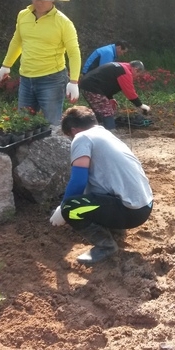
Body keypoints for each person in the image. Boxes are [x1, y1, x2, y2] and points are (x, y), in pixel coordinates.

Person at [49, 106, 153, 265]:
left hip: (130, 212)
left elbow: (78, 181)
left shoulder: (81, 137)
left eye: (70, 137)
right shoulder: (104, 134)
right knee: (88, 199)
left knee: (72, 207)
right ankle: (116, 229)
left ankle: (106, 246)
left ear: (74, 130)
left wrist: (63, 208)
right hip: (144, 205)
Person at [0, 0, 81, 125]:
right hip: (26, 78)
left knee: (52, 124)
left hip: (52, 79)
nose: (38, 1)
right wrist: (6, 65)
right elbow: (17, 41)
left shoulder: (63, 22)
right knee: (23, 122)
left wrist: (74, 81)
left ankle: (52, 149)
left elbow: (74, 53)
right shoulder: (23, 15)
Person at [79, 61, 150, 130]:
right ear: (136, 69)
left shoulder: (121, 66)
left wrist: (110, 98)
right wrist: (140, 105)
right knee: (107, 112)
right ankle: (111, 132)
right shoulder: (125, 72)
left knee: (99, 111)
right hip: (92, 87)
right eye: (138, 74)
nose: (135, 77)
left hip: (88, 84)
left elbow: (106, 82)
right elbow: (129, 92)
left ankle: (97, 130)